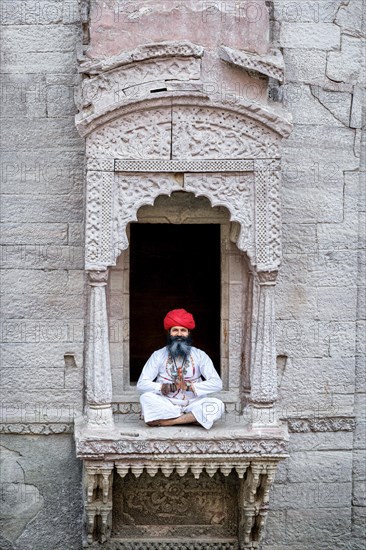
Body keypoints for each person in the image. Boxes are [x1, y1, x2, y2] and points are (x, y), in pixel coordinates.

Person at [137, 308, 224, 429]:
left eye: (183, 330)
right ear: (169, 333)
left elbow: (217, 383)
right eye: (175, 330)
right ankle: (191, 418)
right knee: (146, 398)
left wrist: (189, 386)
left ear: (188, 333)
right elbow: (141, 384)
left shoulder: (200, 355)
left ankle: (168, 421)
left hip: (194, 403)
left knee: (217, 405)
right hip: (166, 402)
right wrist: (165, 387)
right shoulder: (158, 355)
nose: (179, 334)